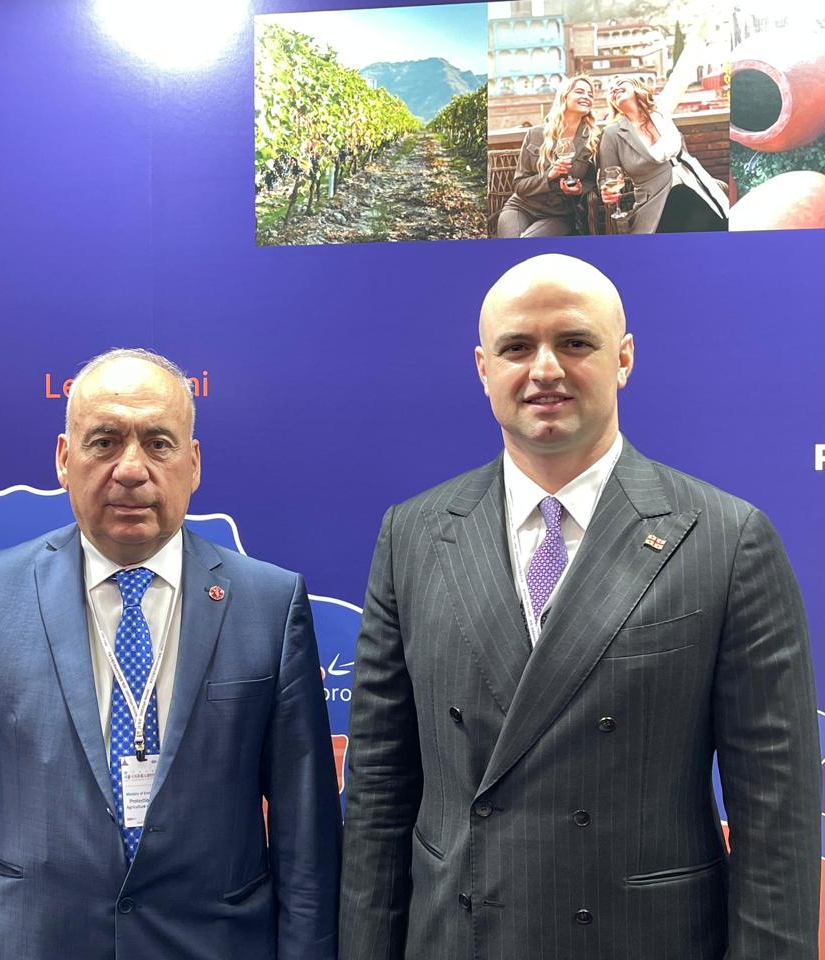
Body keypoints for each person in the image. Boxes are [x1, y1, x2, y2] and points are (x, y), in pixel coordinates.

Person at [338, 254, 819, 959]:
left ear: (623, 358)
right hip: (459, 936)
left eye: (574, 343)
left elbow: (778, 810)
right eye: (516, 347)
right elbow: (379, 790)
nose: (545, 370)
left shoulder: (726, 538)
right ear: (483, 368)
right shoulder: (411, 534)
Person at [0, 348, 341, 960]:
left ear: (193, 464)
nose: (132, 469)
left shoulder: (268, 604)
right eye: (105, 442)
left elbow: (307, 843)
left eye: (158, 444)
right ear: (64, 459)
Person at [597, 46, 729, 233]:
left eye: (619, 83)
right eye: (610, 89)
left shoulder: (660, 111)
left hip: (694, 184)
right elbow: (607, 177)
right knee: (684, 200)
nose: (614, 88)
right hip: (654, 203)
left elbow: (681, 75)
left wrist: (699, 37)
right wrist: (607, 192)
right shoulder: (612, 134)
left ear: (636, 87)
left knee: (699, 208)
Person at [496, 76, 597, 238]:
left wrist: (579, 190)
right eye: (579, 91)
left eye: (590, 94)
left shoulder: (593, 140)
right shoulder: (535, 134)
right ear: (564, 96)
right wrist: (549, 176)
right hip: (521, 207)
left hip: (558, 215)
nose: (586, 96)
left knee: (527, 243)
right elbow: (519, 185)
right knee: (511, 246)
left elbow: (592, 182)